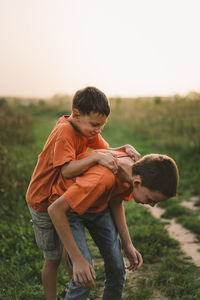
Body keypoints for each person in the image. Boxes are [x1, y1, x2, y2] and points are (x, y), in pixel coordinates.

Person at [26, 86, 140, 300]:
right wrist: (95, 158)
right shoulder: (65, 132)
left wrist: (124, 149)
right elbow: (67, 169)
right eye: (95, 125)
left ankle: (73, 289)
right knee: (53, 258)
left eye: (102, 125)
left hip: (60, 196)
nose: (98, 130)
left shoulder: (85, 129)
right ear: (76, 115)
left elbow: (105, 150)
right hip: (42, 200)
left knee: (72, 251)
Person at [48, 150, 179, 300]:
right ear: (137, 183)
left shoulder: (131, 173)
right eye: (150, 199)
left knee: (117, 268)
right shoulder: (102, 178)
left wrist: (127, 243)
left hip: (98, 207)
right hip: (70, 210)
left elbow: (116, 201)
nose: (152, 206)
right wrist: (78, 260)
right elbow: (55, 210)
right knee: (84, 275)